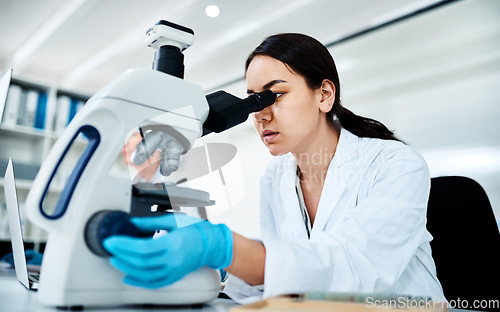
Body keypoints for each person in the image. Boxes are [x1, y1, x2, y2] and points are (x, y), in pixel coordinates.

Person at [103, 33, 445, 303]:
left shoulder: (396, 165)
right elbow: (276, 281)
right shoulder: (278, 176)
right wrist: (208, 276)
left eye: (274, 95)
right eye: (253, 99)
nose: (260, 113)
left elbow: (352, 267)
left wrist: (222, 246)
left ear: (324, 94)